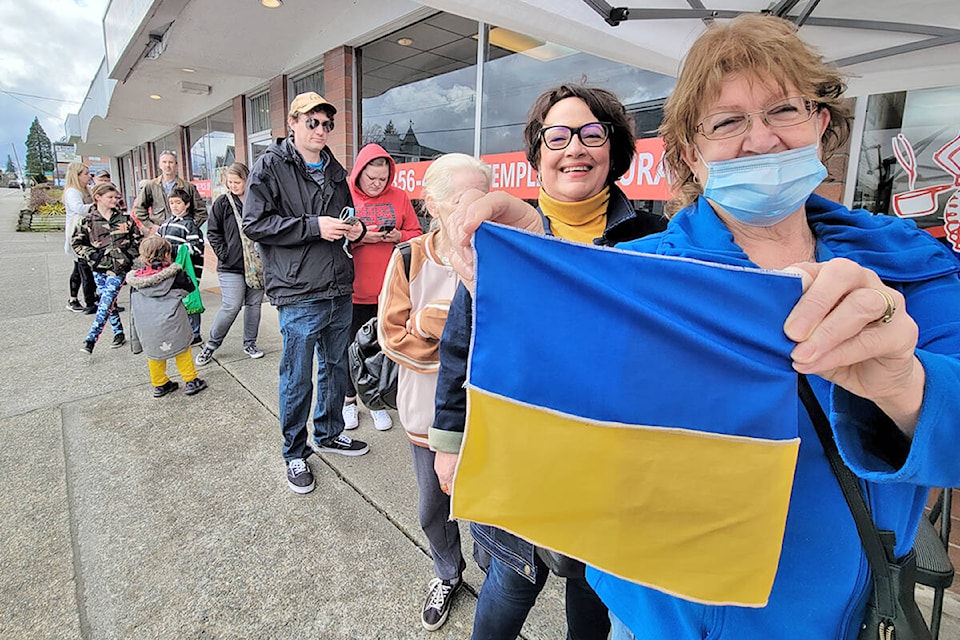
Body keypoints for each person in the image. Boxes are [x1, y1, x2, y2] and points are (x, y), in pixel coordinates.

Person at [441, 15, 960, 639]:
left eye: (783, 111)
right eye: (728, 121)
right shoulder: (643, 275)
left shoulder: (911, 266)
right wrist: (540, 281)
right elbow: (574, 420)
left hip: (858, 617)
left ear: (822, 125)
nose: (762, 140)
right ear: (690, 150)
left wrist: (904, 386)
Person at [430, 84, 667, 640]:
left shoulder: (657, 238)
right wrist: (448, 441)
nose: (575, 149)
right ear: (536, 153)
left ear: (614, 148)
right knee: (514, 580)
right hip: (520, 446)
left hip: (613, 452)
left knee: (593, 592)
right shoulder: (506, 235)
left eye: (592, 134)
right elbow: (462, 343)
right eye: (557, 136)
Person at [378, 153, 491, 632]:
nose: (471, 211)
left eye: (481, 199)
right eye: (460, 199)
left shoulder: (500, 255)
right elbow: (391, 335)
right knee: (433, 505)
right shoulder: (408, 257)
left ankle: (498, 573)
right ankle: (447, 573)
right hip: (426, 416)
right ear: (431, 204)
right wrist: (444, 330)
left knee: (489, 506)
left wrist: (444, 333)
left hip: (490, 417)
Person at [243, 91, 369, 495]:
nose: (320, 130)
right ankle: (294, 451)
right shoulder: (270, 166)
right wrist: (315, 226)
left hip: (338, 284)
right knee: (297, 377)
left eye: (327, 124)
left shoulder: (334, 169)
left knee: (334, 368)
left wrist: (355, 229)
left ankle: (329, 433)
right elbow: (255, 224)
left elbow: (345, 216)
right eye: (312, 122)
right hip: (298, 289)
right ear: (293, 123)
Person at [342, 143, 423, 432]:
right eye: (371, 178)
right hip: (351, 290)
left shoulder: (399, 197)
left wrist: (397, 235)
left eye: (382, 179)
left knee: (384, 348)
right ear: (359, 173)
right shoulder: (345, 195)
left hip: (390, 290)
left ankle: (376, 401)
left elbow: (416, 234)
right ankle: (349, 400)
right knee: (349, 350)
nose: (377, 184)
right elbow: (332, 239)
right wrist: (363, 237)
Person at [195, 162, 265, 365]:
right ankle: (211, 345)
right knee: (231, 305)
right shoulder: (222, 203)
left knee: (254, 305)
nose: (234, 186)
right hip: (231, 266)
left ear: (247, 180)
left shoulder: (258, 200)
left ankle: (250, 343)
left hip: (256, 265)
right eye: (230, 182)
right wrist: (224, 254)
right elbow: (213, 232)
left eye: (238, 182)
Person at [127, 236, 208, 397]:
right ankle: (191, 381)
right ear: (166, 255)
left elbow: (134, 306)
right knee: (182, 350)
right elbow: (190, 287)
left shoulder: (136, 281)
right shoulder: (176, 275)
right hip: (174, 322)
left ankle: (160, 384)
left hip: (148, 326)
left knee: (154, 354)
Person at [72, 182, 142, 354]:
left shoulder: (124, 219)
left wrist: (127, 256)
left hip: (119, 268)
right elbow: (77, 243)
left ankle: (91, 339)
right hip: (99, 267)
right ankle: (118, 332)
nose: (114, 200)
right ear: (98, 198)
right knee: (107, 300)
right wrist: (93, 255)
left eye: (115, 197)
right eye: (110, 197)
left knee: (106, 300)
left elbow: (138, 241)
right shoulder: (88, 221)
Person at [157, 187, 205, 345]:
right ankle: (181, 331)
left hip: (186, 272)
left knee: (189, 300)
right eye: (172, 203)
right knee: (176, 301)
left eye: (178, 203)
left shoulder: (189, 225)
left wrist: (174, 249)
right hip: (170, 271)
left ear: (187, 204)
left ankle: (195, 332)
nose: (175, 206)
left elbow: (197, 248)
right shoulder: (165, 224)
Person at [133, 150, 207, 233]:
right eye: (164, 162)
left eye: (171, 162)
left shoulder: (188, 187)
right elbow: (138, 209)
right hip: (160, 233)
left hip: (182, 235)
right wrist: (151, 226)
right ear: (159, 165)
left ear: (176, 165)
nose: (167, 165)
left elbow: (201, 211)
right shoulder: (151, 186)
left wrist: (190, 227)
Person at [63, 161, 97, 313]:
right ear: (77, 176)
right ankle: (80, 299)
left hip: (86, 232)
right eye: (86, 174)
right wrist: (99, 205)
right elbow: (79, 209)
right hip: (78, 233)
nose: (89, 176)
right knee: (82, 267)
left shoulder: (84, 190)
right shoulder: (73, 192)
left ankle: (74, 298)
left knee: (78, 268)